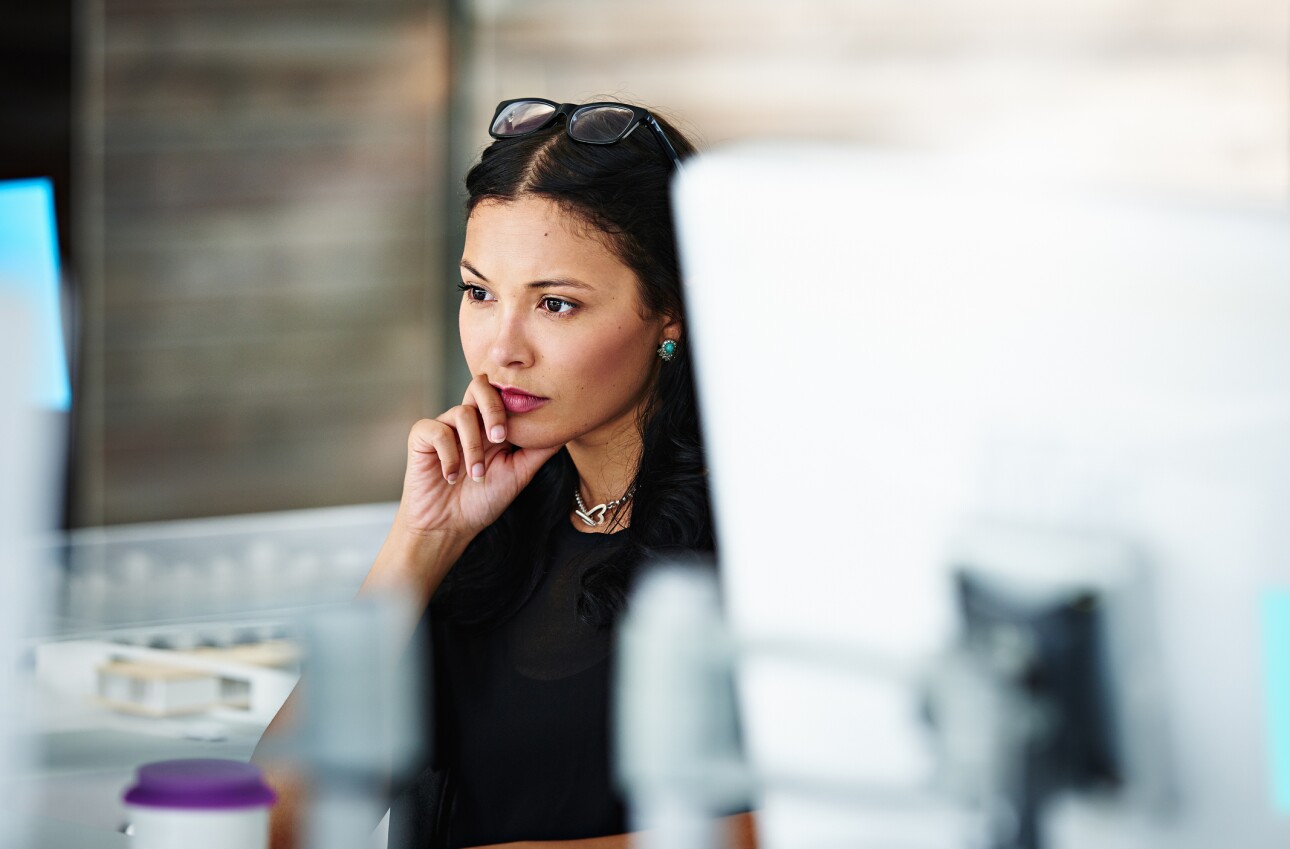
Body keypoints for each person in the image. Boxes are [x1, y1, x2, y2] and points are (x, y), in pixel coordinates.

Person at [257, 97, 756, 849]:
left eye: (555, 304)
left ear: (671, 310)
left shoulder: (764, 541)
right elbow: (276, 822)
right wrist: (420, 543)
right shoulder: (483, 522)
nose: (501, 348)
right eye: (479, 291)